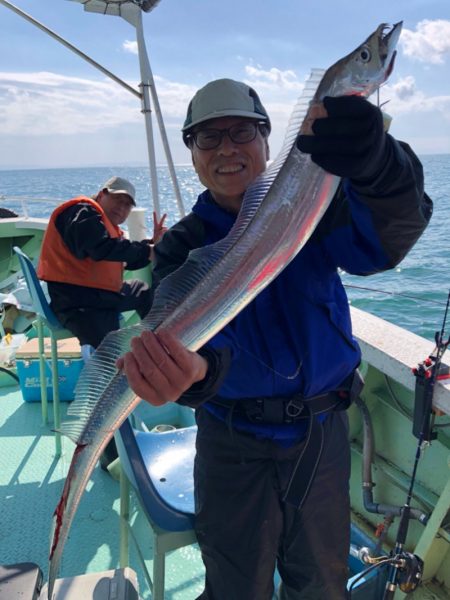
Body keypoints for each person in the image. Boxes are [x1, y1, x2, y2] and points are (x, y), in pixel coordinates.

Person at [117, 79, 432, 599]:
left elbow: (383, 243)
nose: (226, 149)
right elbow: (194, 348)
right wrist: (194, 373)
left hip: (321, 437)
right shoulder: (182, 247)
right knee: (236, 584)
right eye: (207, 138)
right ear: (192, 153)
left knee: (322, 584)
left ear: (267, 141)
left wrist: (380, 163)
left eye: (241, 131)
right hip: (230, 443)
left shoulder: (312, 210)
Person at [38, 175, 166, 349]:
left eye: (127, 205)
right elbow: (99, 248)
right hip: (77, 303)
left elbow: (123, 259)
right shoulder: (81, 212)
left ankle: (159, 340)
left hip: (97, 295)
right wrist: (147, 251)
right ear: (101, 195)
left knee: (141, 290)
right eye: (117, 199)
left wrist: (151, 245)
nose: (121, 207)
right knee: (108, 357)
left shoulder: (103, 228)